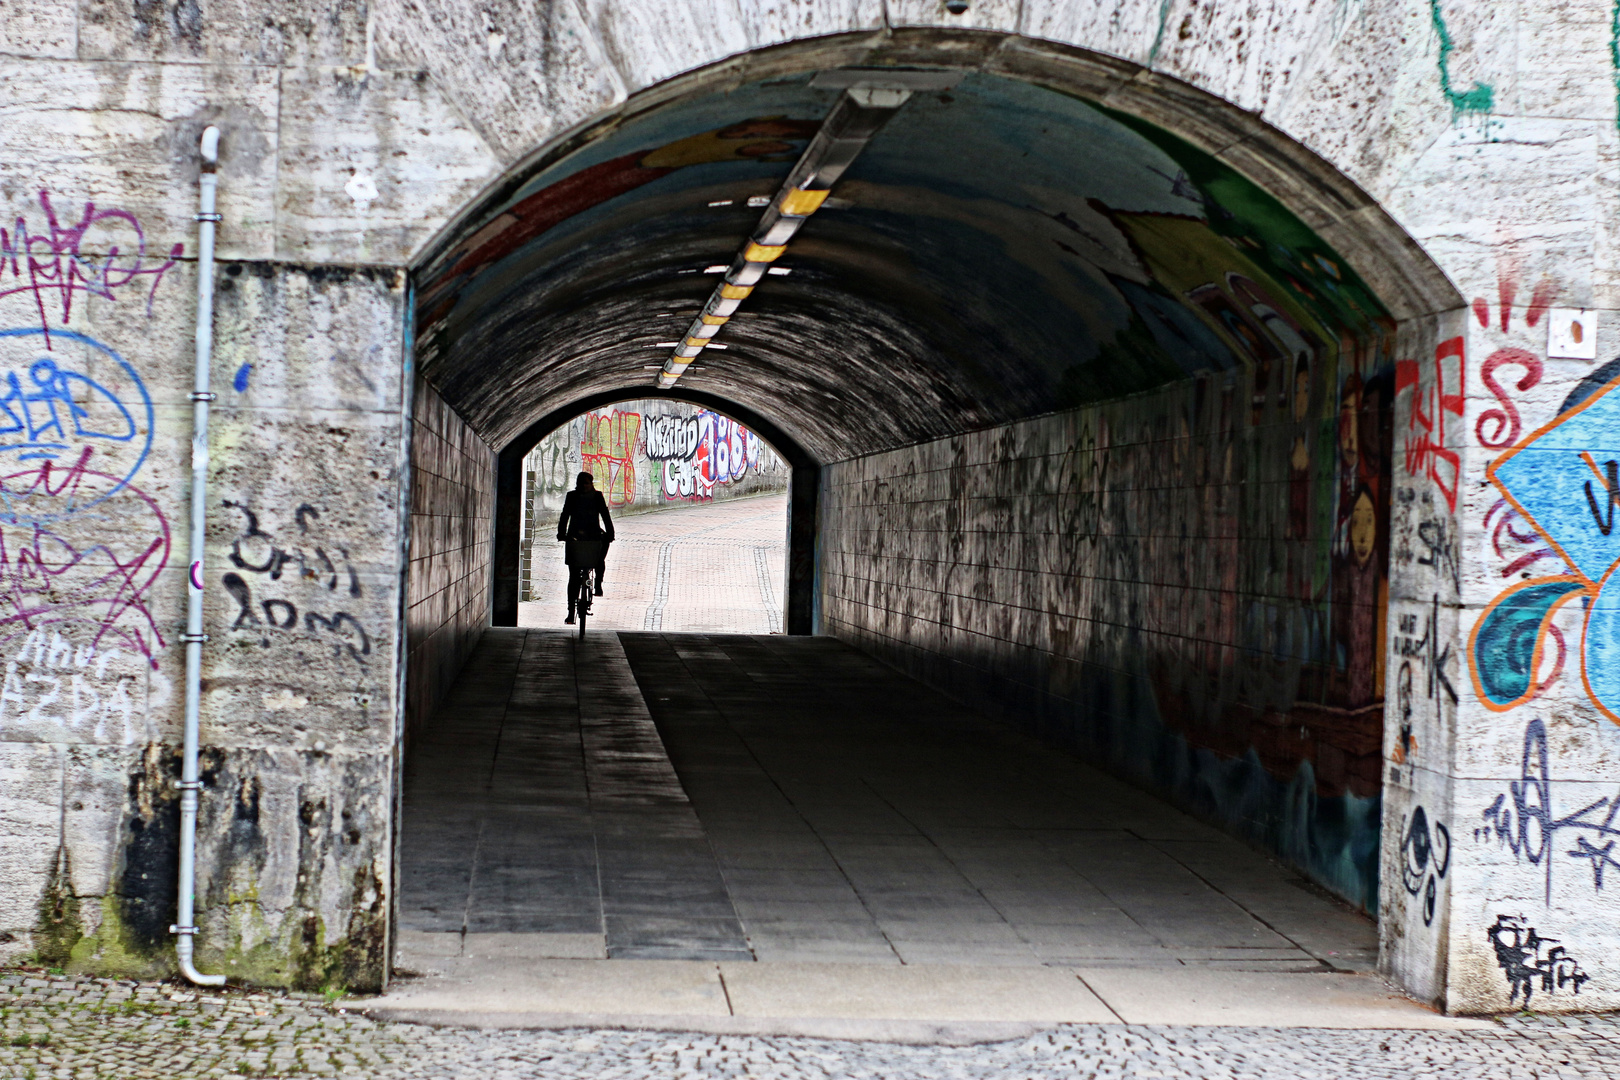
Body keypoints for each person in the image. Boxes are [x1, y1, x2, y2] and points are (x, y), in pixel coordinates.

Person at [557, 471, 614, 624]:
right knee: (574, 577)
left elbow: (605, 515)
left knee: (599, 558)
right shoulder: (572, 496)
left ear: (591, 484)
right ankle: (571, 612)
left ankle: (598, 583)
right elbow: (565, 515)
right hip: (575, 536)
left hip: (593, 535)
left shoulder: (597, 496)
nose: (583, 486)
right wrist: (561, 533)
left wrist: (610, 533)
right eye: (581, 483)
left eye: (586, 483)